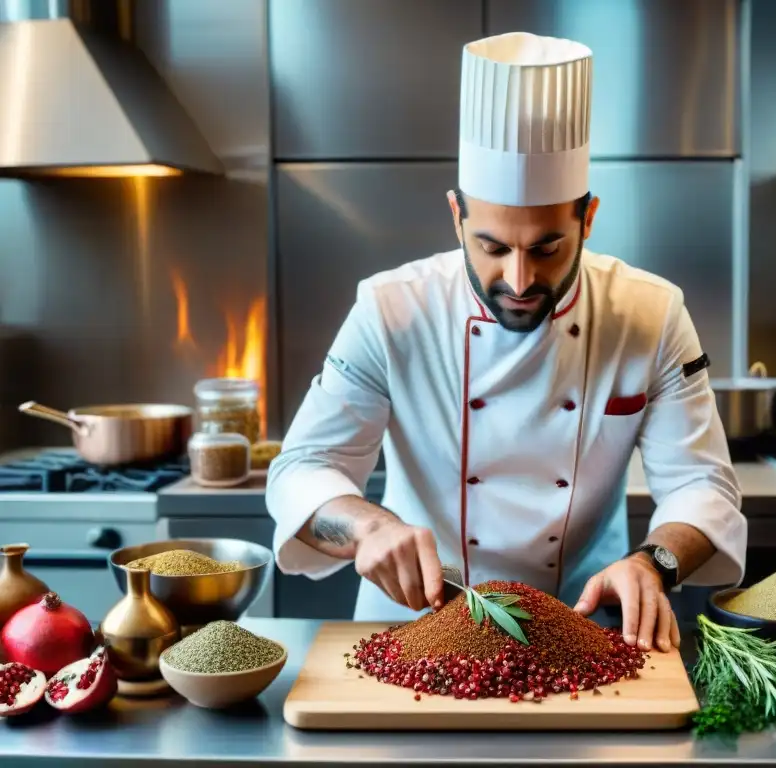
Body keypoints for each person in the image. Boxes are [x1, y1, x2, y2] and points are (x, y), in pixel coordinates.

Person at [266, 31, 746, 653]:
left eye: (547, 248)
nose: (518, 280)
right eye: (492, 247)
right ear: (456, 217)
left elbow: (702, 486)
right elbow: (301, 468)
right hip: (414, 630)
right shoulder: (391, 309)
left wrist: (654, 563)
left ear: (588, 217)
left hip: (583, 629)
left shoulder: (650, 314)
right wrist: (368, 526)